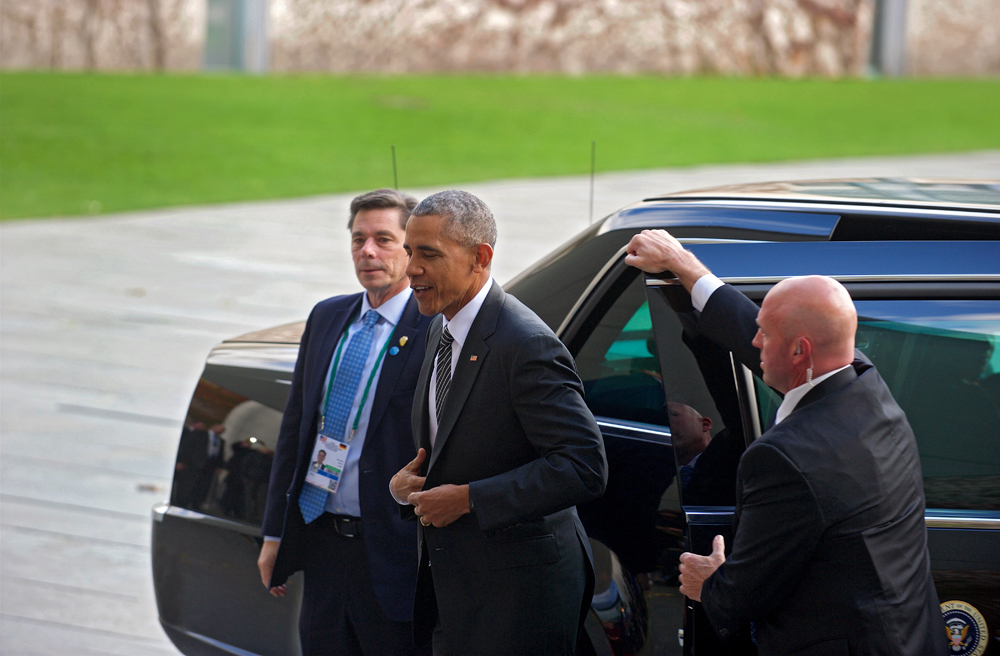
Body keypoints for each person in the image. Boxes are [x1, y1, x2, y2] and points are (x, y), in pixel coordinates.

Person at [624, 229, 947, 656]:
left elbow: (741, 597)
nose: (754, 342)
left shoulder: (784, 459)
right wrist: (685, 266)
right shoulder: (867, 386)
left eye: (766, 335)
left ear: (799, 351)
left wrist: (709, 580)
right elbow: (743, 328)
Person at [389, 190, 607, 656]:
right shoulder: (439, 326)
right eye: (409, 252)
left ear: (479, 258)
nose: (410, 269)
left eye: (428, 254)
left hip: (522, 597)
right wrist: (410, 485)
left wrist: (469, 499)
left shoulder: (525, 345)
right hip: (457, 588)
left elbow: (583, 465)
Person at [258, 188, 432, 656]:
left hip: (391, 553)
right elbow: (295, 428)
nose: (368, 251)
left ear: (411, 249)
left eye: (383, 239)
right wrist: (275, 533)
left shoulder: (433, 329)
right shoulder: (327, 317)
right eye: (358, 239)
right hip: (322, 542)